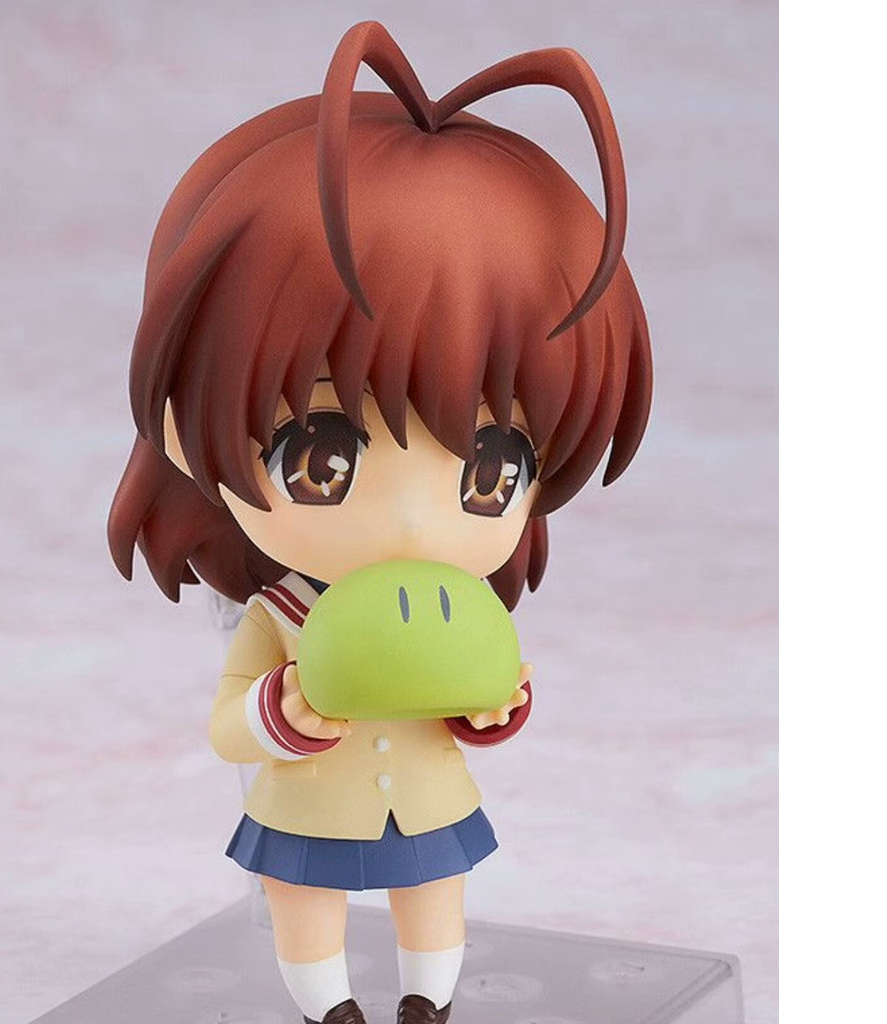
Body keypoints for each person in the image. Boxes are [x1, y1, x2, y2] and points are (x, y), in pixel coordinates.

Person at [108, 20, 652, 1024]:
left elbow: (482, 701)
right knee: (303, 902)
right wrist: (280, 711)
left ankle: (425, 1001)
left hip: (429, 806)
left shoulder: (463, 607)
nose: (411, 521)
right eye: (321, 454)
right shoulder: (278, 611)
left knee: (435, 893)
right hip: (307, 804)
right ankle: (329, 1007)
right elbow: (228, 724)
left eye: (491, 468)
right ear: (185, 425)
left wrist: (494, 705)